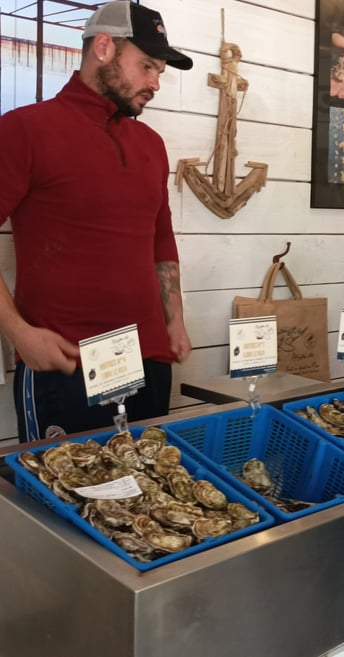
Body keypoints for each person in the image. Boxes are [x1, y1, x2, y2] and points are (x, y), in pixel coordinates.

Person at [0, 1, 194, 442]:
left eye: (160, 71)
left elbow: (160, 238)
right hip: (66, 363)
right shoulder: (24, 130)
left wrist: (174, 321)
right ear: (104, 47)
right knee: (63, 485)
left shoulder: (150, 144)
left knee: (148, 479)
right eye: (147, 66)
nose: (155, 83)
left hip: (149, 358)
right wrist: (19, 333)